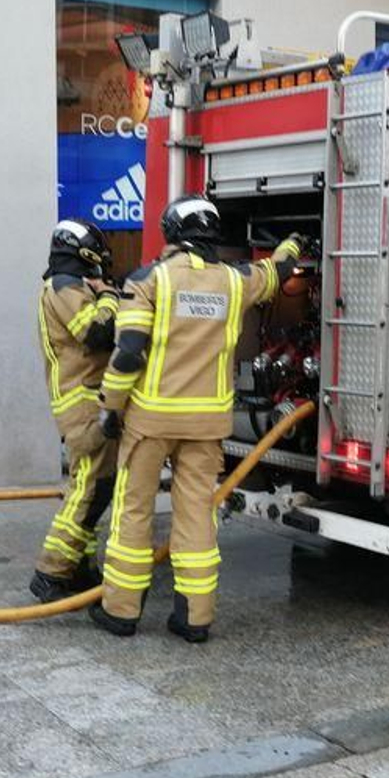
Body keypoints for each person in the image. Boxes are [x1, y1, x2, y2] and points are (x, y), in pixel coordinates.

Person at [91, 196, 304, 642]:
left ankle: (121, 611)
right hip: (207, 426)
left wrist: (111, 406)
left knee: (134, 512)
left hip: (151, 421)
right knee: (196, 516)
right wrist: (292, 244)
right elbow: (276, 273)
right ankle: (195, 619)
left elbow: (128, 351)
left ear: (171, 232)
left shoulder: (149, 281)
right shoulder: (234, 281)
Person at [29, 219, 120, 602]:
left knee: (96, 488)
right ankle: (51, 572)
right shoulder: (66, 285)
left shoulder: (64, 285)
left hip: (81, 402)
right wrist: (111, 296)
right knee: (89, 490)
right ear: (83, 250)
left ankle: (81, 567)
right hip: (83, 404)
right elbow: (98, 334)